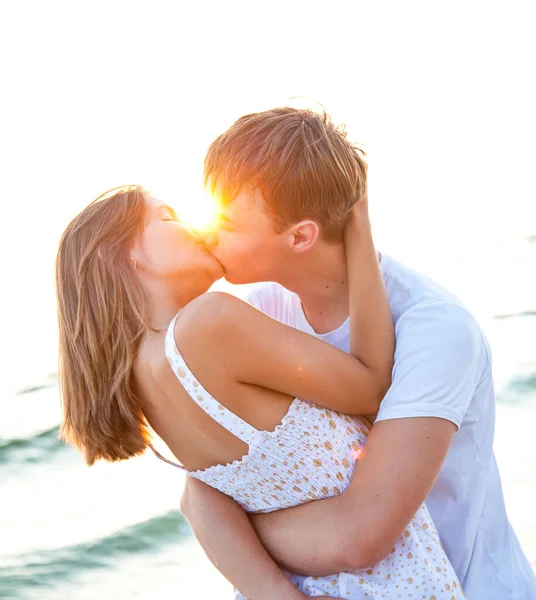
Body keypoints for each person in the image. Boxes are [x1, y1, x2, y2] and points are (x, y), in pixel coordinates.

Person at [180, 107, 536, 600]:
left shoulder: (436, 330)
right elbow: (204, 486)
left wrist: (241, 533)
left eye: (225, 223)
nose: (204, 233)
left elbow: (361, 535)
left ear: (301, 235)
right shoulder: (259, 317)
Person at [55, 184, 465, 599]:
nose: (193, 226)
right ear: (131, 255)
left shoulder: (141, 382)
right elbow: (372, 386)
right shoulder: (207, 322)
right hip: (392, 584)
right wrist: (357, 226)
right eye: (167, 217)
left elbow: (208, 500)